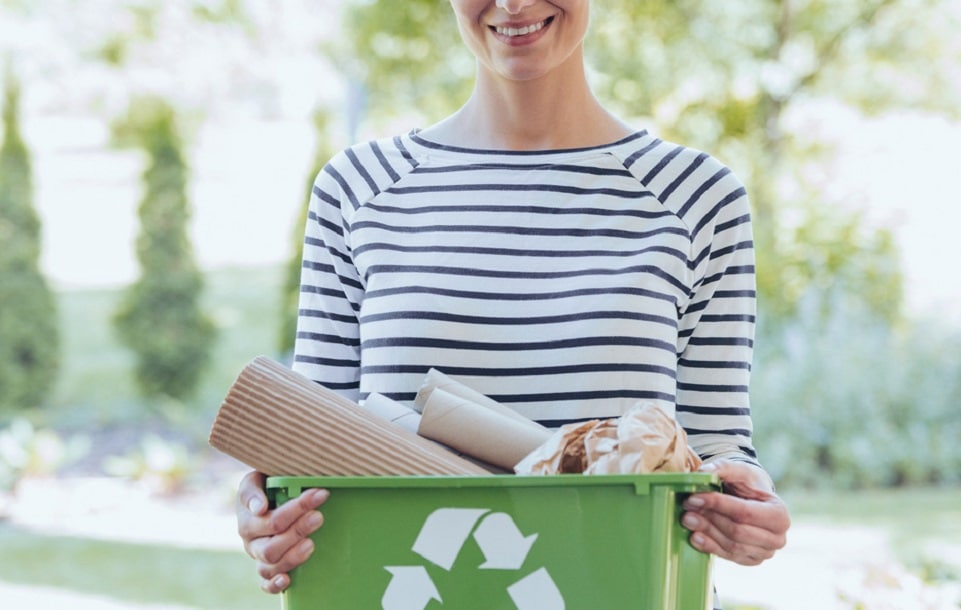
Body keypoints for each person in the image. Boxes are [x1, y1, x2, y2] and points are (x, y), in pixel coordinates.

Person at [236, 0, 790, 606]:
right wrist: (268, 515)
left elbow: (716, 445)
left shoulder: (698, 198)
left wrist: (745, 507)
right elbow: (312, 438)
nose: (514, 4)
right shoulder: (358, 190)